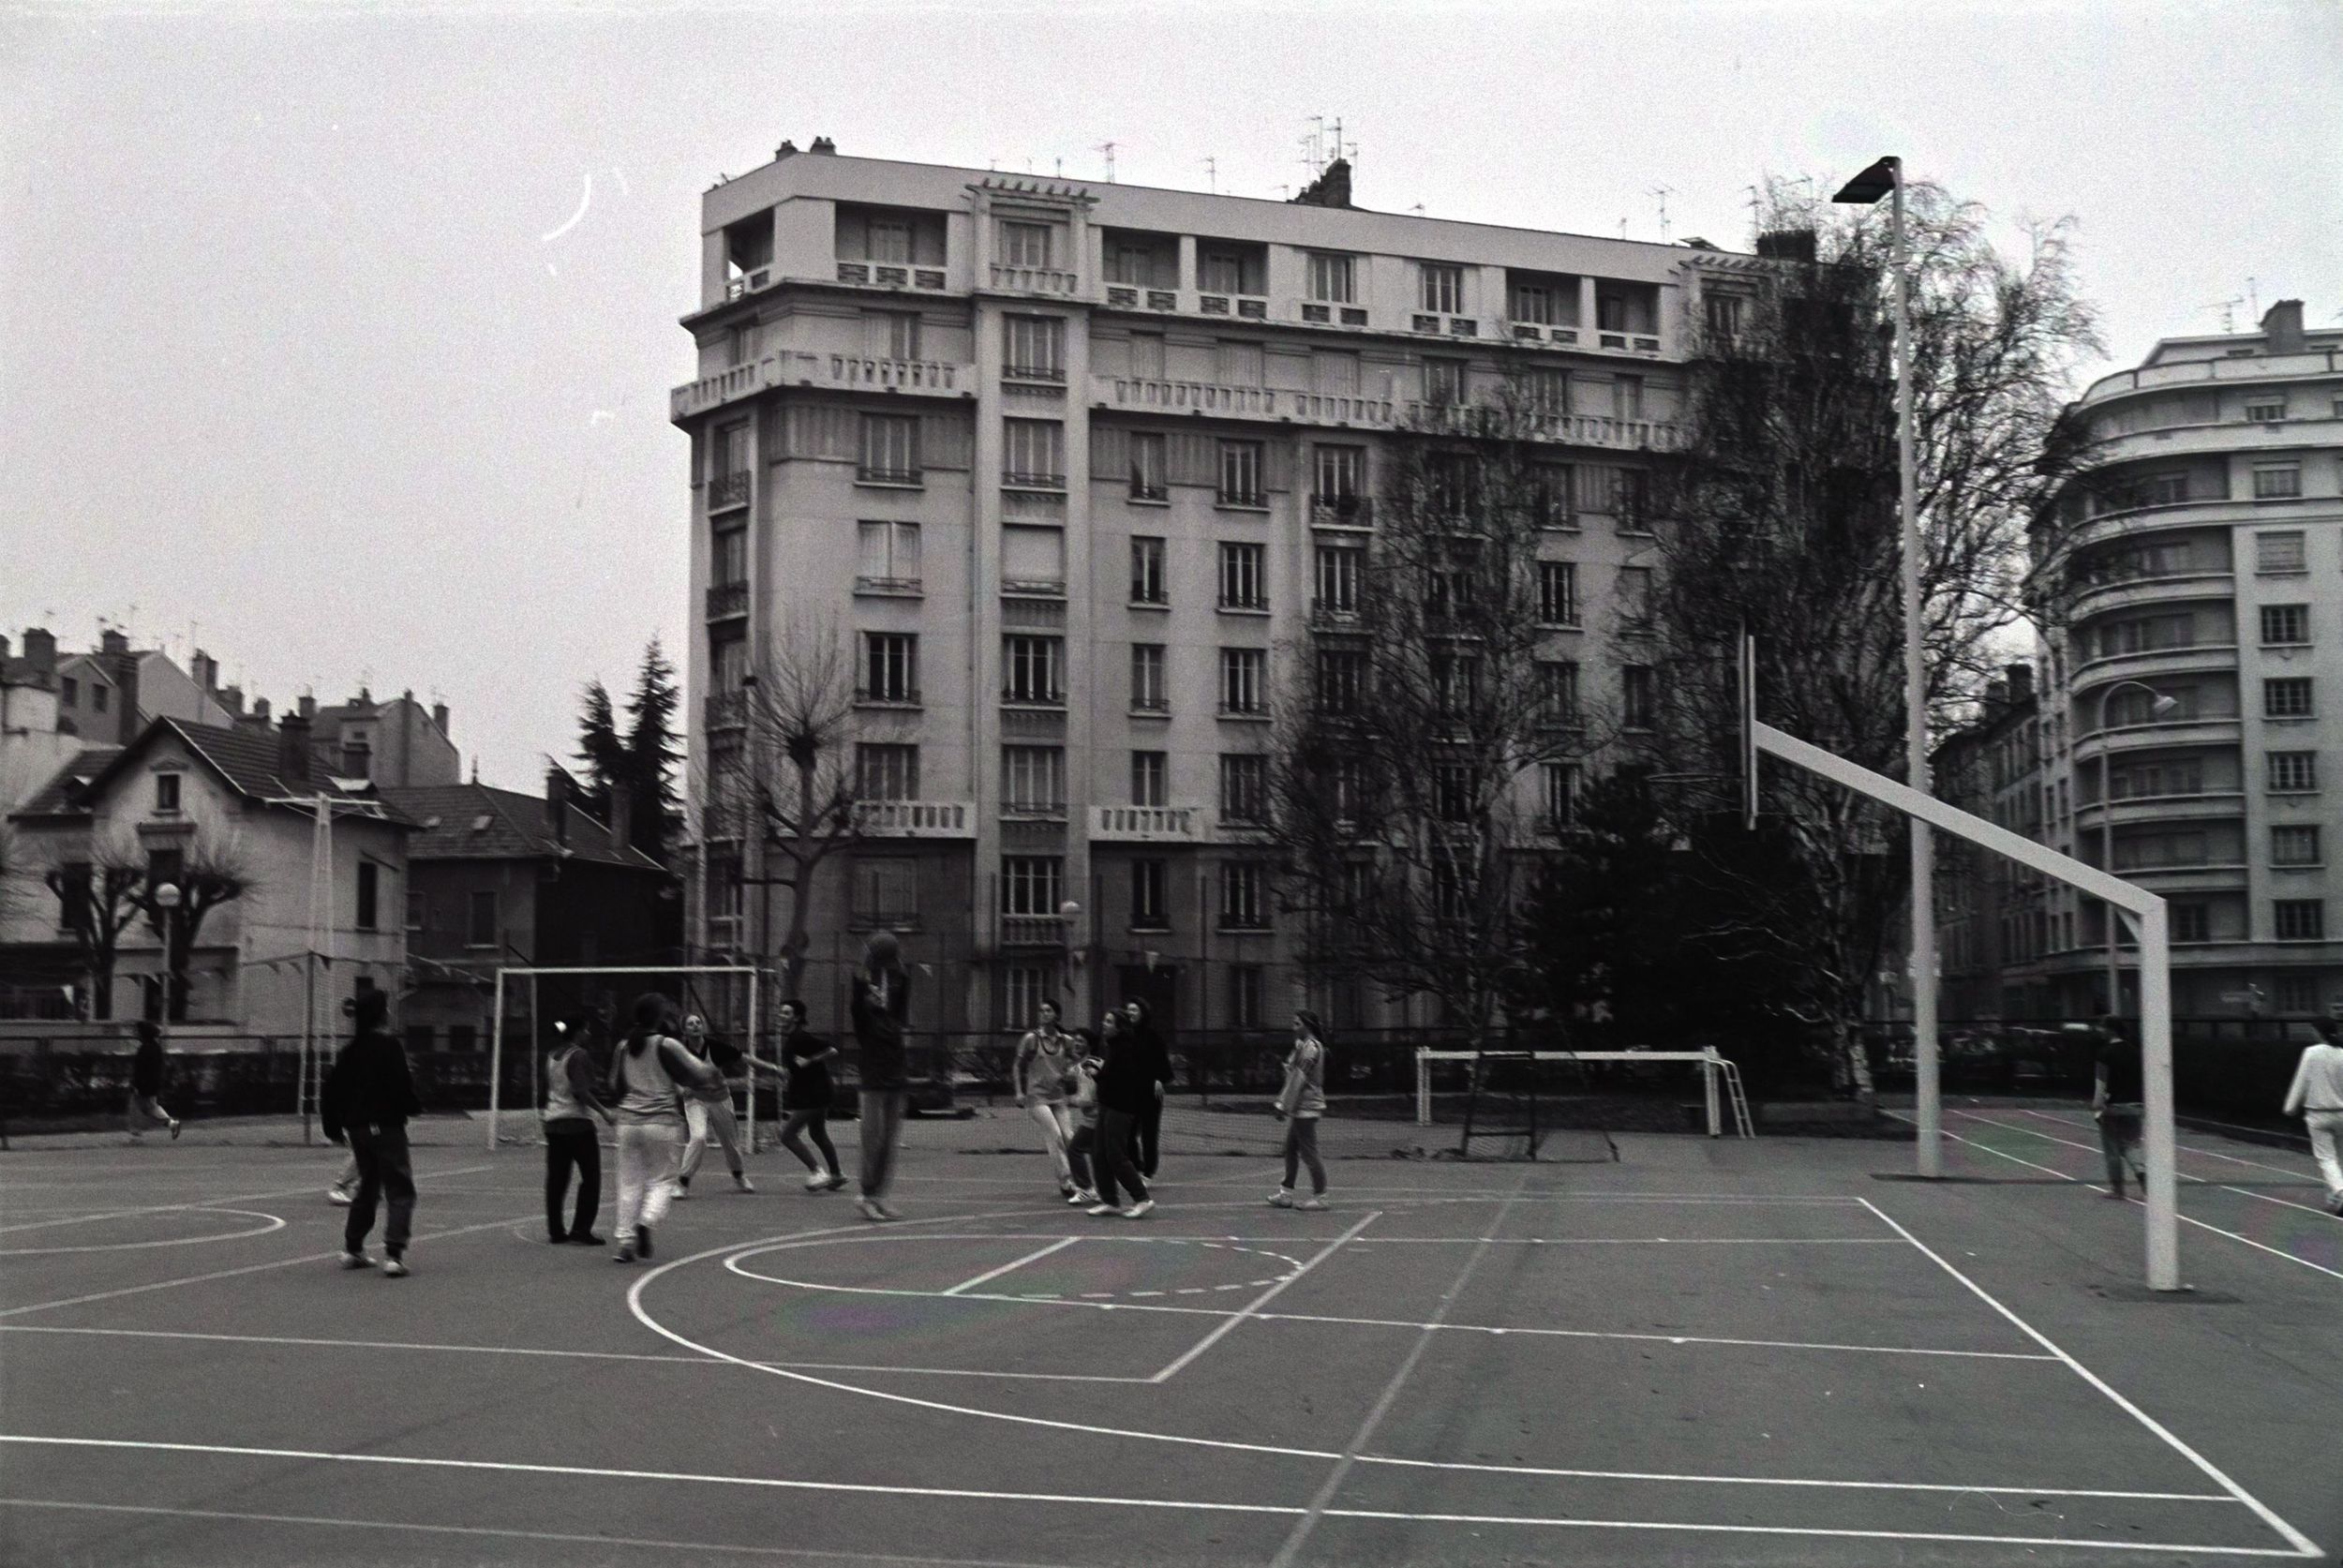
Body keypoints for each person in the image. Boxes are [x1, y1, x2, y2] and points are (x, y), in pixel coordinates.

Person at [606, 993, 723, 1262]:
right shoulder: (666, 1044)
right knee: (663, 1180)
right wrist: (713, 1076)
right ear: (658, 1017)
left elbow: (613, 1085)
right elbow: (702, 1071)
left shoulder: (623, 1046)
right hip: (661, 1122)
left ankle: (625, 1242)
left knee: (628, 1182)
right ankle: (647, 1222)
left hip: (628, 1123)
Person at [321, 991, 422, 1276]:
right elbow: (402, 1084)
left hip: (357, 1128)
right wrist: (412, 1106)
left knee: (367, 1186)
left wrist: (333, 1126)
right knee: (399, 1187)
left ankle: (353, 1248)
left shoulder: (350, 1051)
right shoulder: (388, 1047)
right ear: (381, 1014)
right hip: (385, 1125)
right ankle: (394, 1254)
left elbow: (332, 1091)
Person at [675, 1012, 774, 1199]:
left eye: (698, 1022)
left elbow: (744, 1058)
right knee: (698, 1137)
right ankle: (683, 1182)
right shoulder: (679, 1051)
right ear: (684, 1030)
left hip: (719, 1098)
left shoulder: (715, 1047)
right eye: (690, 1024)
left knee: (730, 1143)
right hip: (695, 1100)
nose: (696, 1026)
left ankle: (739, 1176)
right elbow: (669, 1072)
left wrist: (773, 1068)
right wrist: (680, 1089)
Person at [849, 933, 912, 1222]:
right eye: (873, 993)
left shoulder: (894, 1019)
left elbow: (903, 986)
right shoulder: (864, 1020)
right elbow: (858, 985)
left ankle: (879, 1196)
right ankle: (864, 1195)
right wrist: (868, 960)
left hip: (897, 1082)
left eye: (881, 992)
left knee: (889, 1144)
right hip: (873, 1084)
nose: (879, 995)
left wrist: (896, 961)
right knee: (872, 1142)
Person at [543, 1018, 615, 1245]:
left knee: (557, 1178)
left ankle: (556, 1230)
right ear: (578, 1033)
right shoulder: (579, 1055)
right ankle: (581, 1228)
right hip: (576, 1123)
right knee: (591, 1177)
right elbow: (581, 1091)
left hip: (553, 1120)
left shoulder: (552, 1056)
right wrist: (604, 1111)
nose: (589, 1034)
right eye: (586, 1029)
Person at [1087, 1010, 1155, 1218]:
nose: (1104, 1024)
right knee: (1099, 1153)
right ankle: (1110, 1200)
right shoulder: (1114, 1047)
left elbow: (1120, 1080)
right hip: (1108, 1105)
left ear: (1119, 1026)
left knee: (1116, 1154)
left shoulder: (1125, 1048)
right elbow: (1112, 1075)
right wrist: (1100, 1071)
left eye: (1109, 1021)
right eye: (1104, 1020)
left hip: (1121, 1107)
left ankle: (1142, 1198)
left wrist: (1096, 1074)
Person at [776, 998, 847, 1192]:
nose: (782, 1016)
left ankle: (817, 1172)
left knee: (787, 1135)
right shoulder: (791, 1039)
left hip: (814, 1095)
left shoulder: (801, 1037)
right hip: (813, 1092)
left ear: (797, 1018)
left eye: (787, 1013)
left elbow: (832, 1050)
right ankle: (837, 1175)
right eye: (781, 1012)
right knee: (817, 1133)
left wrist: (810, 1060)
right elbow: (794, 1067)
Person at [1013, 999, 1082, 1199]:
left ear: (1057, 1015)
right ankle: (1066, 1181)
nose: (1044, 1013)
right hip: (1037, 1096)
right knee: (1055, 1135)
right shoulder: (1031, 1039)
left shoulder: (1065, 1041)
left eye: (1048, 1010)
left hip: (1059, 1096)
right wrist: (1018, 1091)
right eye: (1041, 1010)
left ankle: (1081, 1180)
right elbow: (1017, 1065)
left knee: (1069, 1137)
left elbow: (1079, 1060)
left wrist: (1072, 1072)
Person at [2281, 1017, 2343, 1215]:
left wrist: (2290, 1107)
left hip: (2318, 1114)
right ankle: (2334, 1198)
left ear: (2318, 1032)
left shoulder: (2311, 1053)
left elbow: (2301, 1082)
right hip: (2342, 1113)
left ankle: (2340, 1192)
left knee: (2326, 1158)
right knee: (2340, 1158)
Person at [1269, 1011, 1329, 1211]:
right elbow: (1293, 1073)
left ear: (1307, 1025)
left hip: (1306, 1106)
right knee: (1291, 1149)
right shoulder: (1304, 1046)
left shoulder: (1311, 1048)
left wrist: (1283, 1106)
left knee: (1309, 1152)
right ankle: (1285, 1193)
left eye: (1297, 1023)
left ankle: (1320, 1196)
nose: (1293, 1027)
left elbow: (1298, 1079)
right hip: (1301, 1106)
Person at [2091, 1012, 2145, 1200]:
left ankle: (2118, 1188)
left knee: (2112, 1148)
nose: (2100, 1030)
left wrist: (2097, 1104)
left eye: (2102, 1027)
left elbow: (2101, 1082)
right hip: (2135, 1104)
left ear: (2109, 1030)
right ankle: (2140, 1170)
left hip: (2113, 1106)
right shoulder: (2135, 1052)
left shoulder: (2104, 1053)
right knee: (2131, 1144)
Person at [1122, 999, 1171, 1181]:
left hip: (1150, 1091)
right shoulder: (1123, 1036)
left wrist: (1160, 1079)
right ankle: (1137, 1166)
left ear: (1142, 1012)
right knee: (1128, 1133)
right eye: (1128, 1010)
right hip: (1130, 1092)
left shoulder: (1152, 1036)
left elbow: (1162, 1062)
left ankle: (1148, 1173)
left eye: (1134, 1009)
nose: (1130, 1013)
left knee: (1149, 1134)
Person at [125, 1020, 181, 1142]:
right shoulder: (155, 1047)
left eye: (137, 1031)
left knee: (135, 1107)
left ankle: (136, 1135)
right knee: (151, 1108)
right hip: (152, 1084)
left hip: (144, 1084)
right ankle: (172, 1124)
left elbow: (141, 1069)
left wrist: (136, 1084)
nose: (135, 1033)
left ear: (143, 1033)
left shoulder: (145, 1048)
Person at [1063, 1041, 1103, 1206]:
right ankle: (1104, 1191)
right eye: (1075, 1041)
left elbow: (1086, 1100)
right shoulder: (1096, 1062)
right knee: (1097, 1154)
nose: (1076, 1044)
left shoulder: (1087, 1067)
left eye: (1080, 1041)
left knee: (1074, 1149)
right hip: (1102, 1115)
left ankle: (1086, 1188)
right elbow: (1068, 1074)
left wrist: (1070, 1100)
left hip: (1095, 1117)